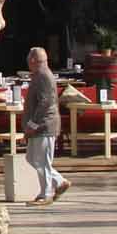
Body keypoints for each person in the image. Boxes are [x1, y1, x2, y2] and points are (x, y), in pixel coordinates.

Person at [21, 46, 70, 205]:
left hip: (45, 125)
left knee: (42, 161)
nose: (28, 63)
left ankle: (45, 194)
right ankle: (59, 182)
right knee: (32, 158)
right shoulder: (39, 75)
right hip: (40, 126)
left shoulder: (43, 76)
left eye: (29, 60)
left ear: (33, 60)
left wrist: (33, 124)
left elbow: (46, 102)